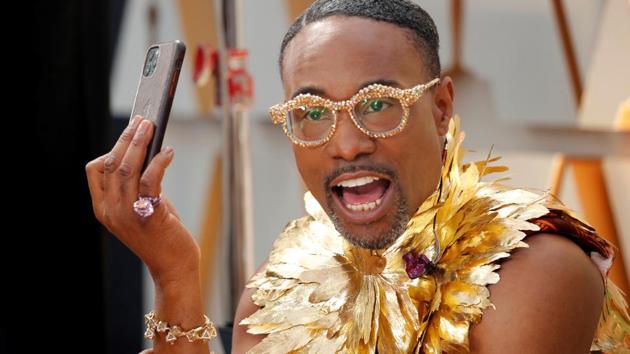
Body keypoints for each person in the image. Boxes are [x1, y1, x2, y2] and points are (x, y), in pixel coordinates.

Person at [86, 0, 629, 353]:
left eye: (377, 104)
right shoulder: (280, 286)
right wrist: (175, 275)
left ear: (441, 108)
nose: (347, 144)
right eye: (312, 113)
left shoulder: (537, 268)